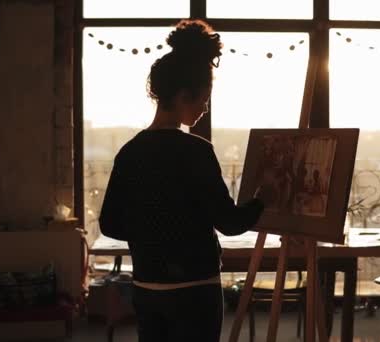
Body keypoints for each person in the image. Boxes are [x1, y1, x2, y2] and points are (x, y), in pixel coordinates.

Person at [98, 19, 264, 342]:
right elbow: (229, 222)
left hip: (147, 288)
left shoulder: (129, 153)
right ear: (185, 95)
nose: (204, 108)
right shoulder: (197, 152)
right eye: (204, 98)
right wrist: (263, 198)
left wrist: (151, 231)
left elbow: (109, 224)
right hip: (195, 290)